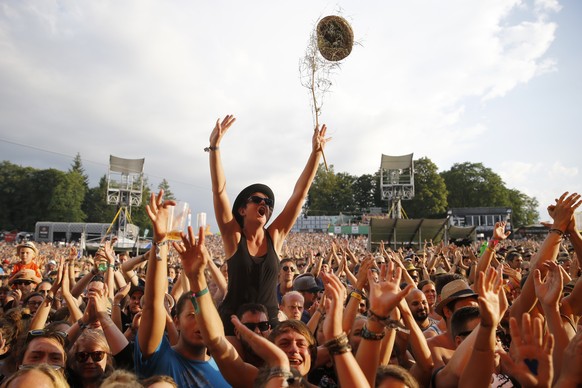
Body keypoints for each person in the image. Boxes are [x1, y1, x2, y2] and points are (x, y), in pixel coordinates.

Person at [207, 114, 329, 335]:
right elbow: (219, 191)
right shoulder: (233, 236)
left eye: (268, 202)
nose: (264, 203)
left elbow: (299, 195)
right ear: (242, 210)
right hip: (233, 324)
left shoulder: (276, 235)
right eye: (257, 200)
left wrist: (315, 155)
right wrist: (214, 149)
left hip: (269, 325)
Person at [135, 192, 230, 387]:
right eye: (192, 315)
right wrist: (160, 242)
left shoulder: (229, 368)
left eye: (204, 315)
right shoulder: (159, 359)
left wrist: (198, 276)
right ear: (176, 321)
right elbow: (153, 305)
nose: (200, 322)